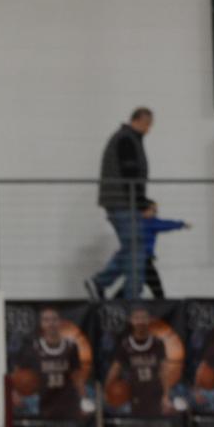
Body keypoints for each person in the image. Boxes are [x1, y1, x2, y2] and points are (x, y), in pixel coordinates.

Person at [87, 107, 152, 301]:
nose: (149, 129)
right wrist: (142, 203)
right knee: (135, 247)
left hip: (122, 201)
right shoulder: (126, 139)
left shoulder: (127, 138)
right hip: (122, 202)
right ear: (140, 120)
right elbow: (130, 174)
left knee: (134, 247)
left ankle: (118, 288)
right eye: (148, 124)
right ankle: (126, 294)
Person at [8, 308, 92, 422]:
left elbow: (77, 376)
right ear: (41, 324)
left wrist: (84, 398)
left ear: (60, 322)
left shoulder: (71, 347)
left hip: (67, 400)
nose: (51, 323)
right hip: (42, 400)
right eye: (46, 320)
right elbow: (17, 372)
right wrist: (15, 392)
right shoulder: (32, 348)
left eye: (54, 319)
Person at [103, 309, 182, 419]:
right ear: (131, 321)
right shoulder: (125, 345)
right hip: (133, 392)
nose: (140, 321)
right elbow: (115, 369)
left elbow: (163, 371)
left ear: (149, 320)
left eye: (143, 318)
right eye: (137, 318)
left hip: (155, 392)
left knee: (157, 425)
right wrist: (106, 389)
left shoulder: (157, 343)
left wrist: (166, 395)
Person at [120, 201, 188, 300]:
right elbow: (165, 224)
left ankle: (110, 302)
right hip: (144, 262)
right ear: (145, 211)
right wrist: (181, 224)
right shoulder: (149, 223)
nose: (156, 213)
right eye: (154, 210)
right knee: (157, 291)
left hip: (134, 260)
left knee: (131, 286)